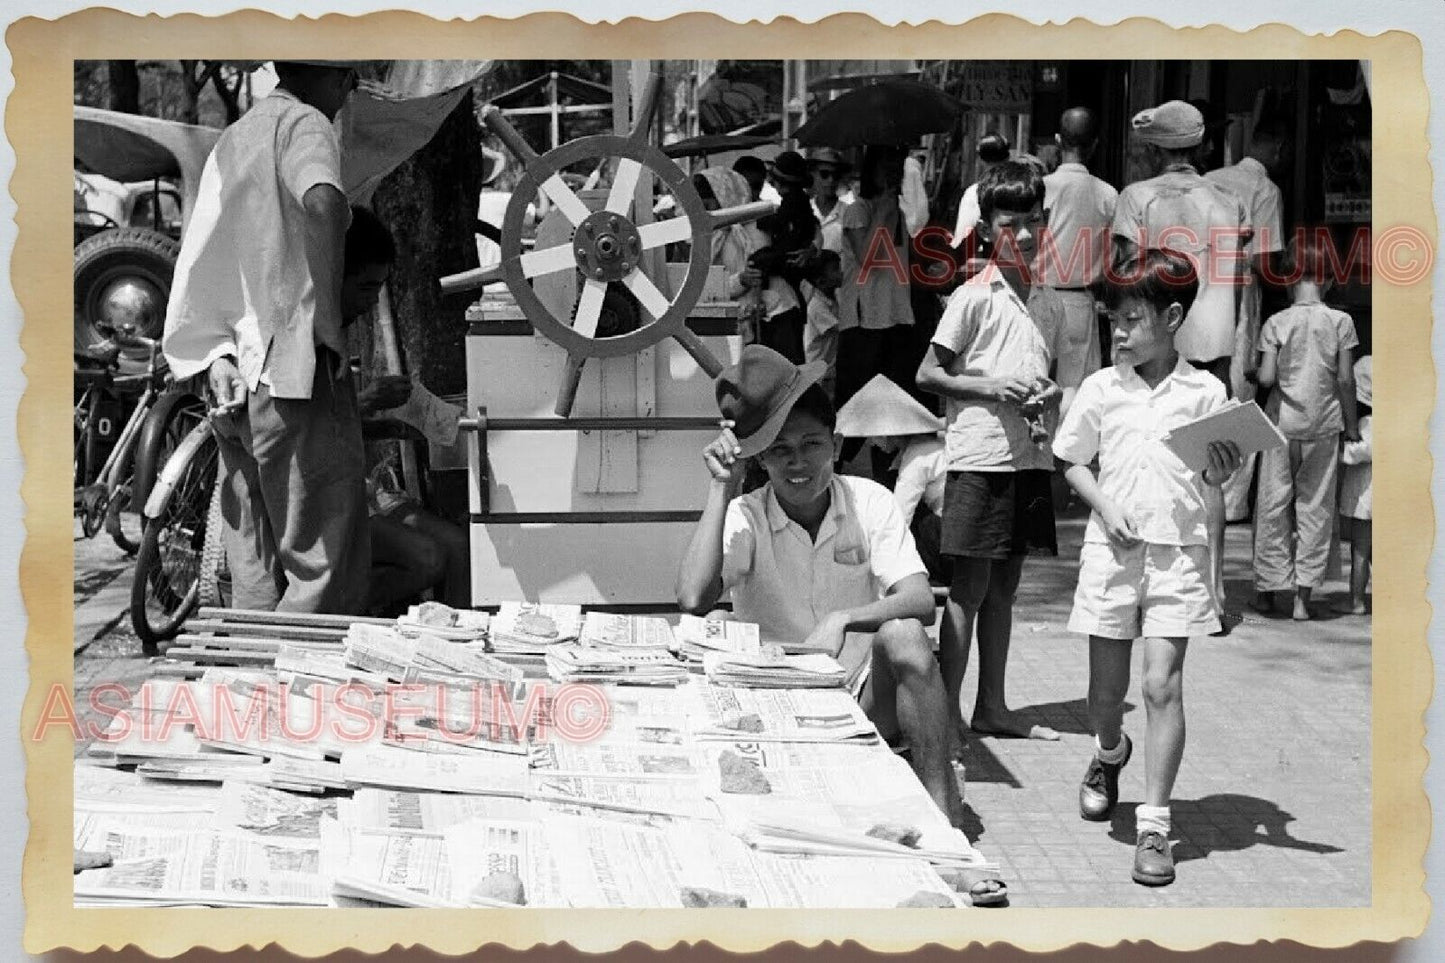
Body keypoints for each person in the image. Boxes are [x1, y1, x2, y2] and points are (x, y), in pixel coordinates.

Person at [675, 346, 965, 832]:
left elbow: (919, 600)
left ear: (834, 443)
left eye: (812, 445)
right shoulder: (745, 514)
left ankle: (945, 820)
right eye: (780, 451)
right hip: (773, 695)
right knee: (716, 625)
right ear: (760, 460)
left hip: (861, 696)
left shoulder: (869, 500)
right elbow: (692, 599)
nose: (798, 464)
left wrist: (844, 619)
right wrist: (719, 489)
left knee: (904, 636)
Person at [1052, 248, 1242, 888]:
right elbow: (1073, 462)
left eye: (1132, 320)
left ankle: (1155, 825)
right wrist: (1105, 507)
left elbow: (1214, 479)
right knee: (1108, 696)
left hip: (1178, 557)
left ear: (1173, 317)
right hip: (1112, 555)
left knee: (1162, 685)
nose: (1121, 333)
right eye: (1115, 321)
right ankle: (1109, 753)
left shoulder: (1207, 391)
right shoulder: (1104, 389)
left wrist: (1221, 476)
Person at [163, 60, 368, 614]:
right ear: (336, 77)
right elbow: (323, 202)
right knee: (320, 569)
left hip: (235, 372)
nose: (347, 96)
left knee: (254, 563)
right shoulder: (304, 124)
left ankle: (255, 686)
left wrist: (217, 353)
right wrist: (327, 319)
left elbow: (204, 257)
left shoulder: (235, 137)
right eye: (350, 82)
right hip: (294, 370)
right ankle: (301, 695)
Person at [916, 160, 1064, 752]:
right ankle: (943, 714)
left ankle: (992, 706)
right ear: (986, 229)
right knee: (968, 592)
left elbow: (1058, 382)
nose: (1023, 236)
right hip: (979, 459)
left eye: (1032, 222)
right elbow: (928, 372)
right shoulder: (974, 298)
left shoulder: (1047, 301)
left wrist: (1050, 394)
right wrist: (989, 387)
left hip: (1028, 459)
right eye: (1010, 224)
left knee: (1005, 589)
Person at [1111, 99, 1249, 612]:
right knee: (1209, 471)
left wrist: (1120, 347)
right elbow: (1242, 281)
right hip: (1214, 344)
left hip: (1154, 340)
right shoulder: (1229, 200)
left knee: (1137, 457)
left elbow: (1126, 275)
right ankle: (1212, 590)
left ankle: (1141, 582)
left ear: (1152, 150)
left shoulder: (1137, 198)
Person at [340, 207, 471, 612]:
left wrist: (401, 426)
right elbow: (312, 427)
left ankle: (453, 649)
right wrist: (369, 400)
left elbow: (346, 423)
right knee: (429, 558)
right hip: (335, 502)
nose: (368, 302)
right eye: (364, 288)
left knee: (460, 547)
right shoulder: (311, 334)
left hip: (366, 489)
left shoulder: (343, 330)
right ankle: (344, 615)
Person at [1252, 233, 1359, 621]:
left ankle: (1266, 593)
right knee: (1315, 508)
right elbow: (1346, 380)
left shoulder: (1276, 322)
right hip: (1324, 424)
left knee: (1272, 506)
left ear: (1286, 278)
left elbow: (1265, 379)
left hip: (1281, 425)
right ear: (1329, 278)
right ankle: (1302, 600)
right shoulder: (1341, 321)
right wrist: (1351, 426)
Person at [1204, 120, 1289, 521]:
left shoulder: (1209, 179)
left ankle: (1193, 487)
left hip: (1196, 289)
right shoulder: (1266, 190)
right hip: (1240, 296)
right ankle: (1232, 503)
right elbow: (1264, 261)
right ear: (1276, 151)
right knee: (1237, 391)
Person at [1038, 107, 1118, 415]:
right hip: (1079, 301)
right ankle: (1063, 456)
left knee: (1034, 377)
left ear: (1058, 141)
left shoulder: (1040, 188)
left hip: (1038, 295)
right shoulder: (1107, 195)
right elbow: (1112, 261)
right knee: (1073, 389)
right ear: (1095, 144)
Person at [835, 374, 950, 585]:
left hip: (946, 542)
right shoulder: (920, 449)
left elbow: (901, 514)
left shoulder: (919, 457)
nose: (870, 443)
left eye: (872, 435)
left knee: (895, 512)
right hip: (952, 538)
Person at [835, 145, 917, 411]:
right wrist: (881, 212)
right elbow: (867, 257)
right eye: (887, 169)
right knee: (857, 398)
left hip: (894, 312)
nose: (893, 175)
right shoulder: (859, 209)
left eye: (897, 170)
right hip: (864, 316)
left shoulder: (900, 212)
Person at [1336, 355, 1372, 615]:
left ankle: (1357, 601)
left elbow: (1356, 454)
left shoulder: (1367, 424)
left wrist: (1343, 446)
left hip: (1366, 501)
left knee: (1359, 552)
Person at [949, 132, 1011, 251]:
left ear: (981, 159)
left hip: (989, 257)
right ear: (1008, 156)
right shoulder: (1020, 187)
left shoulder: (975, 192)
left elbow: (963, 235)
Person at [801, 249, 844, 398]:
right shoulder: (817, 306)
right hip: (820, 376)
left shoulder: (831, 300)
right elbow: (841, 329)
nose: (840, 273)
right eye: (835, 270)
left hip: (829, 372)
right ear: (820, 280)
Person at [807, 147, 852, 254]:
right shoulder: (802, 210)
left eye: (836, 175)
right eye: (824, 174)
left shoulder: (850, 213)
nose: (831, 180)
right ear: (813, 174)